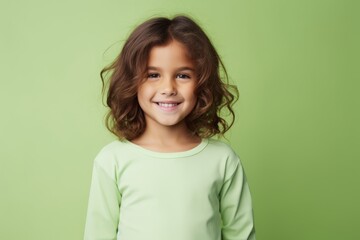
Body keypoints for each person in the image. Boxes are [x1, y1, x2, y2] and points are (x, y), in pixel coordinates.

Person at [84, 15, 255, 240]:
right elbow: (98, 234)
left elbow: (240, 234)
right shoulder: (112, 160)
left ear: (201, 83)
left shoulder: (223, 160)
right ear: (132, 82)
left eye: (183, 75)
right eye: (153, 75)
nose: (168, 88)